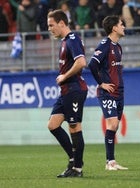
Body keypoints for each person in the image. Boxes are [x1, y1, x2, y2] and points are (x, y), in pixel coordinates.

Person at [47, 9, 88, 178]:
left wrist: (64, 75)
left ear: (62, 23)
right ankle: (73, 158)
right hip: (66, 90)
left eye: (51, 25)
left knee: (74, 127)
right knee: (53, 125)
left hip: (74, 89)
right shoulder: (64, 41)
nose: (49, 29)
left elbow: (81, 62)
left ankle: (77, 168)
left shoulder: (72, 39)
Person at [88, 15, 128, 171]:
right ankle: (109, 162)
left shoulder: (118, 47)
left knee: (115, 126)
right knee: (112, 124)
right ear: (114, 28)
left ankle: (111, 161)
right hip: (107, 92)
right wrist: (101, 84)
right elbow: (92, 64)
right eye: (121, 24)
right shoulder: (105, 44)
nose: (124, 26)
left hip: (119, 92)